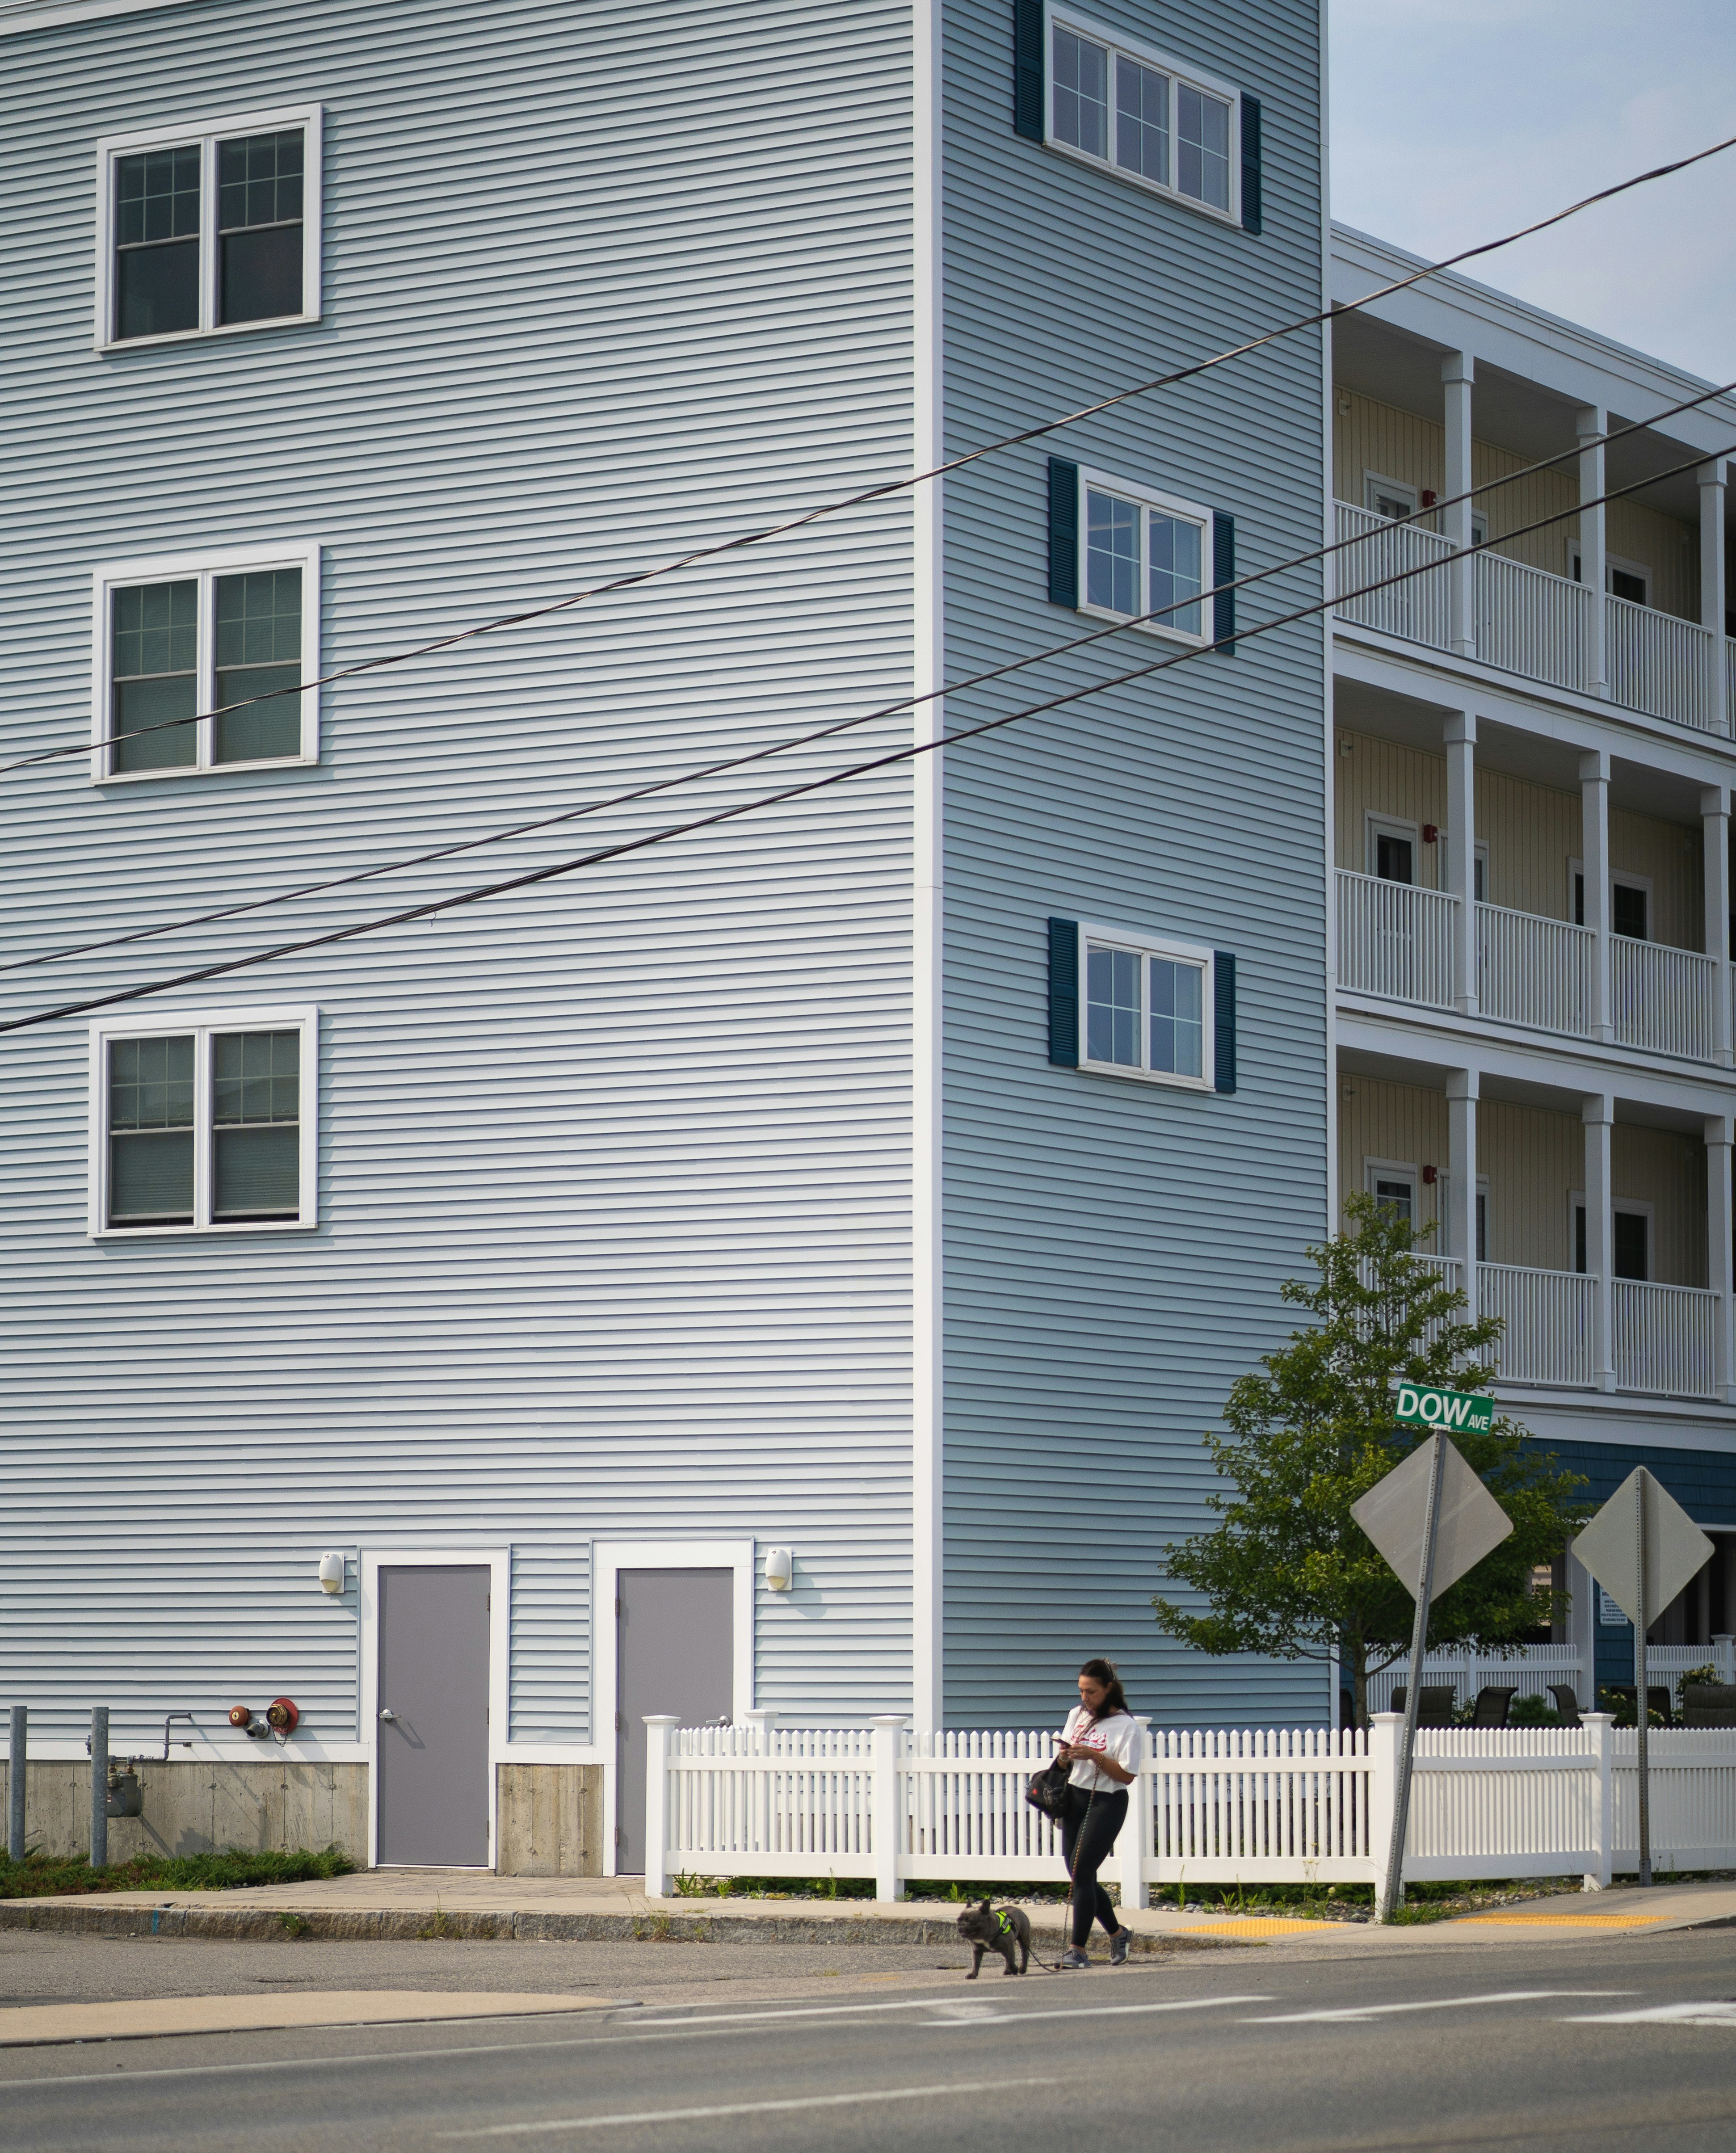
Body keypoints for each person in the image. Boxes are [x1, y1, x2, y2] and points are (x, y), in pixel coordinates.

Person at [1055, 1657, 1137, 1968]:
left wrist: (1094, 1755)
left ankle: (1077, 1950)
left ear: (1109, 1690)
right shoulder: (1076, 1715)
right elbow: (1064, 1762)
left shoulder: (1125, 1726)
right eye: (1081, 1692)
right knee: (1079, 1876)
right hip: (1075, 1796)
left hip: (1107, 1801)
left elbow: (1126, 1776)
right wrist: (1065, 1755)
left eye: (1091, 1692)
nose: (1084, 1699)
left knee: (1083, 1872)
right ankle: (1118, 1934)